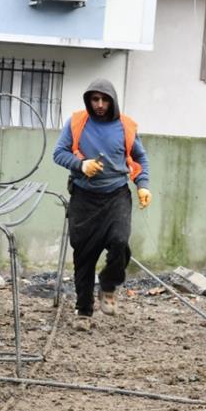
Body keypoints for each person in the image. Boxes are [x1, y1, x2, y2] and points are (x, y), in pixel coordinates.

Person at [51, 77, 151, 325]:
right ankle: (84, 311)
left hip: (116, 195)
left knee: (119, 241)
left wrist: (143, 185)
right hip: (84, 198)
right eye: (95, 99)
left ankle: (108, 285)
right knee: (84, 255)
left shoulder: (125, 127)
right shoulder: (76, 123)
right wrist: (80, 164)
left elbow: (140, 158)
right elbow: (58, 153)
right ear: (88, 100)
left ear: (113, 101)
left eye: (105, 99)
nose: (99, 104)